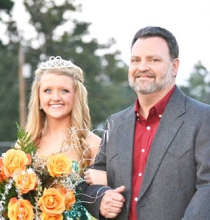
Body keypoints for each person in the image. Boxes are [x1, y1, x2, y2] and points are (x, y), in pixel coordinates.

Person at [82, 26, 210, 220]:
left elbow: (207, 186)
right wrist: (101, 200)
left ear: (174, 66)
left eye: (154, 59)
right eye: (135, 60)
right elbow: (94, 178)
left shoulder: (202, 118)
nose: (142, 67)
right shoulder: (115, 123)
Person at [24, 56, 106, 219]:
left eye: (64, 90)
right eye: (48, 90)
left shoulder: (92, 144)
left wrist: (107, 180)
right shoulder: (27, 143)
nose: (56, 97)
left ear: (76, 96)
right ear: (39, 98)